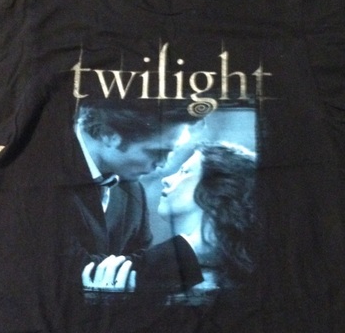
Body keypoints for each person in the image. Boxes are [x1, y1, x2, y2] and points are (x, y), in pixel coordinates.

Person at [83, 141, 258, 294]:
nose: (166, 179)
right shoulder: (164, 266)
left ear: (218, 192)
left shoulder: (219, 285)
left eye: (184, 172)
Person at [71, 98, 205, 293]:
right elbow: (68, 273)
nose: (163, 164)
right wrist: (194, 249)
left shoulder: (133, 190)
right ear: (108, 134)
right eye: (157, 152)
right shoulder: (39, 175)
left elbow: (136, 274)